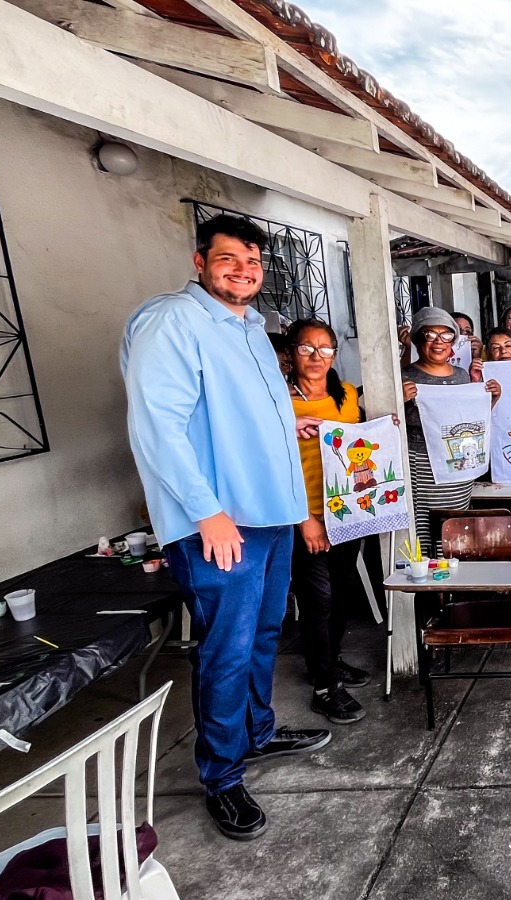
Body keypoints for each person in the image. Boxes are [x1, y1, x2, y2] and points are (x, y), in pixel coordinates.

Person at [122, 214, 329, 841]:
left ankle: (258, 733)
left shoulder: (249, 329)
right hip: (222, 522)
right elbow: (159, 425)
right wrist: (206, 512)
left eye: (253, 261)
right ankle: (222, 775)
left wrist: (283, 430)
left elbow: (233, 414)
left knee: (265, 631)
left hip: (268, 513)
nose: (244, 270)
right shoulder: (171, 322)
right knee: (227, 648)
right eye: (229, 259)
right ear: (199, 261)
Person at [285, 318, 371, 725]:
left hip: (346, 513)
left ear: (335, 353)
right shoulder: (279, 401)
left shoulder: (348, 396)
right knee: (316, 600)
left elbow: (360, 448)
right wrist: (306, 521)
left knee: (341, 592)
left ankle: (330, 662)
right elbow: (274, 467)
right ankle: (324, 688)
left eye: (325, 348)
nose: (317, 357)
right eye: (307, 348)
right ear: (291, 353)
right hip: (305, 517)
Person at [401, 307, 501, 553]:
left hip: (457, 469)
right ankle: (429, 585)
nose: (438, 342)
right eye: (430, 335)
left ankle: (453, 580)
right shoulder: (404, 377)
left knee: (455, 530)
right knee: (425, 531)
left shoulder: (461, 376)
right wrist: (399, 401)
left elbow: (469, 422)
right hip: (422, 468)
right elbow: (389, 423)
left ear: (453, 343)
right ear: (416, 339)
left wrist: (492, 398)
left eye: (446, 336)